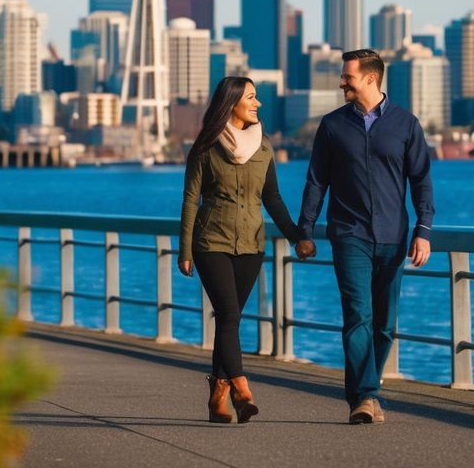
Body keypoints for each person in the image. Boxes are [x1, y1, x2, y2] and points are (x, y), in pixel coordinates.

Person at [297, 48, 434, 425]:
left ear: (371, 79)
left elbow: (421, 181)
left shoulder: (406, 125)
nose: (342, 82)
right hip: (349, 234)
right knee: (357, 315)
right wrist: (305, 230)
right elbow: (315, 181)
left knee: (385, 323)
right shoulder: (332, 125)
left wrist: (423, 232)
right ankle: (365, 396)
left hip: (393, 236)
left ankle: (367, 390)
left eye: (348, 77)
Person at [179, 76, 313, 423]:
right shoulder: (205, 147)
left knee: (229, 320)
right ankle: (240, 387)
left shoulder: (263, 146)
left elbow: (273, 199)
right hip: (212, 243)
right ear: (232, 102)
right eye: (252, 98)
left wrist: (297, 236)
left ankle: (216, 398)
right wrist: (185, 250)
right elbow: (191, 200)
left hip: (252, 245)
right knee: (229, 315)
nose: (258, 104)